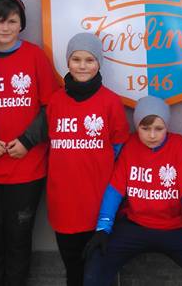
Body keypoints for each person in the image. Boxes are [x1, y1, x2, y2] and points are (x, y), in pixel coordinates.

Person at [0, 0, 60, 286]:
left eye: (12, 21)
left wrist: (27, 140)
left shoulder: (35, 56)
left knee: (19, 238)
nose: (5, 28)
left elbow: (51, 106)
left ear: (21, 23)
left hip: (27, 168)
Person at [83, 95, 182, 286]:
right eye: (145, 128)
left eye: (159, 129)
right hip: (136, 224)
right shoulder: (130, 144)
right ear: (137, 126)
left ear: (167, 126)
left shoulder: (178, 145)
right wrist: (103, 229)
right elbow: (114, 191)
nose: (152, 135)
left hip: (173, 226)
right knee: (97, 259)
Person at [45, 32, 130, 286]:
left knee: (97, 271)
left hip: (97, 203)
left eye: (90, 60)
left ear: (99, 63)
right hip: (63, 202)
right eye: (76, 59)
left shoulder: (110, 102)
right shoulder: (56, 101)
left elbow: (119, 150)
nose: (82, 66)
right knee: (73, 268)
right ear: (67, 62)